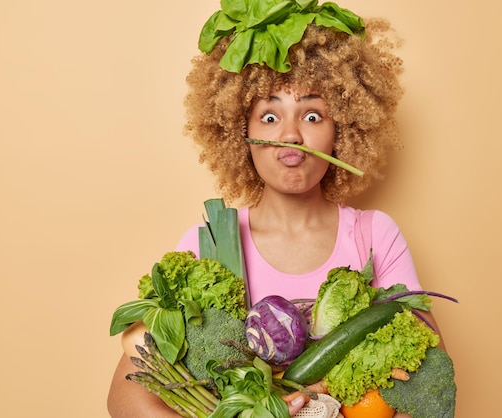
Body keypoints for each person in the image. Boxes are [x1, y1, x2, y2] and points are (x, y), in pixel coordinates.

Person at [108, 2, 445, 417]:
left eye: (313, 115)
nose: (290, 135)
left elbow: (429, 376)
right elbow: (125, 398)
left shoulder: (374, 236)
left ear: (342, 128)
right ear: (239, 132)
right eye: (269, 116)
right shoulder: (208, 246)